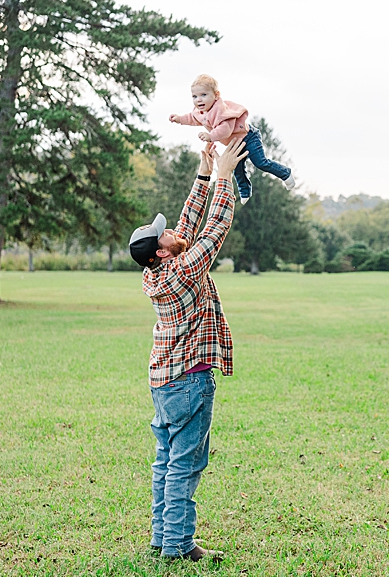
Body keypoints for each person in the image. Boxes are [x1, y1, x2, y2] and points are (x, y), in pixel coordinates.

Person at [128, 140, 248, 562]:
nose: (176, 231)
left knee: (166, 462)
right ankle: (179, 546)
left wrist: (204, 170)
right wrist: (225, 176)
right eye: (168, 235)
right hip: (189, 382)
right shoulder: (182, 269)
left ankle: (163, 538)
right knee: (185, 466)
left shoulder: (159, 270)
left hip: (164, 382)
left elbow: (190, 222)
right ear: (162, 251)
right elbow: (213, 229)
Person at [170, 74, 295, 204]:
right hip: (235, 142)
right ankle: (245, 191)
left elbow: (225, 129)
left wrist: (211, 136)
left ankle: (285, 173)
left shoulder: (221, 110)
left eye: (203, 95)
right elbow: (192, 118)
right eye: (194, 96)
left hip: (249, 137)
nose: (198, 100)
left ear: (216, 95)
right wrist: (179, 119)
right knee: (237, 167)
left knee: (260, 162)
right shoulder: (200, 111)